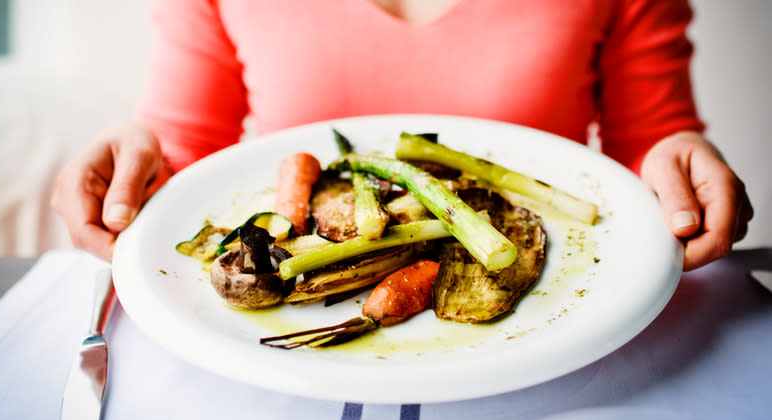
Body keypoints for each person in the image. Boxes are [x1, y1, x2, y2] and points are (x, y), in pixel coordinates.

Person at [52, 0, 753, 270]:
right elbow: (185, 158)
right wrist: (137, 163)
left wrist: (674, 157)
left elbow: (651, 140)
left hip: (556, 288)